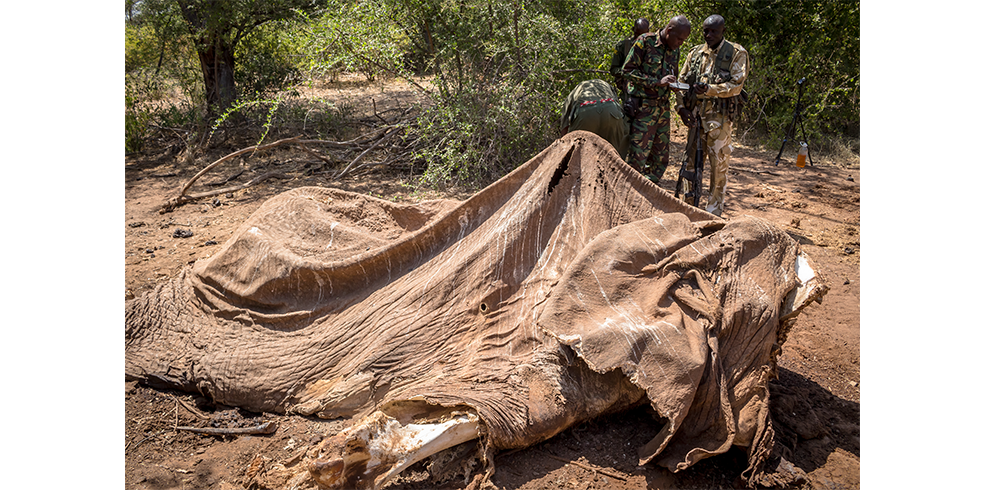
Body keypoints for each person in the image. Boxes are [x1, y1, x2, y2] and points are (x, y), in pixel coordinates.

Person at [675, 14, 749, 216]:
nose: (708, 35)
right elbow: (681, 83)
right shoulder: (696, 53)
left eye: (713, 31)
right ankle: (688, 207)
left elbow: (736, 85)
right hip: (695, 119)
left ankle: (713, 212)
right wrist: (681, 108)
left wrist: (709, 89)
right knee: (689, 165)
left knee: (718, 168)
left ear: (723, 30)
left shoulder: (735, 53)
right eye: (705, 31)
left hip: (719, 122)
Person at [621, 15, 692, 184]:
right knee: (638, 157)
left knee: (660, 158)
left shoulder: (675, 50)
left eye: (684, 40)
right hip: (643, 109)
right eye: (679, 39)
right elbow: (627, 71)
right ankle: (629, 192)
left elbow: (671, 75)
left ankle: (650, 190)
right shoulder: (645, 42)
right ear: (669, 31)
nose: (680, 43)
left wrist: (673, 85)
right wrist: (656, 82)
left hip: (663, 109)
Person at [561, 79, 628, 158]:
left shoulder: (576, 90)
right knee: (614, 156)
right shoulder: (607, 86)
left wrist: (564, 150)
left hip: (585, 111)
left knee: (578, 157)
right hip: (611, 108)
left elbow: (564, 127)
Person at [609, 18, 650, 103]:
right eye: (637, 34)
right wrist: (627, 73)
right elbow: (613, 69)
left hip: (648, 95)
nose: (639, 38)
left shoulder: (652, 48)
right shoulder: (623, 46)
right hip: (629, 93)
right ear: (633, 30)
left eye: (642, 35)